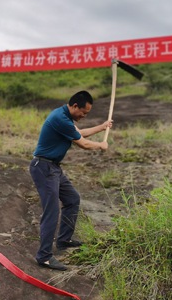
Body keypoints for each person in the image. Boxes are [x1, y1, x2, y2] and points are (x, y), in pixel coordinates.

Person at [30, 90, 111, 271]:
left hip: (53, 168)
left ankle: (64, 240)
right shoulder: (60, 118)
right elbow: (83, 143)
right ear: (75, 106)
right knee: (51, 212)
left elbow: (80, 134)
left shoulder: (65, 117)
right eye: (83, 112)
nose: (84, 115)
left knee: (72, 199)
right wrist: (101, 145)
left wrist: (102, 126)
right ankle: (44, 257)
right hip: (43, 168)